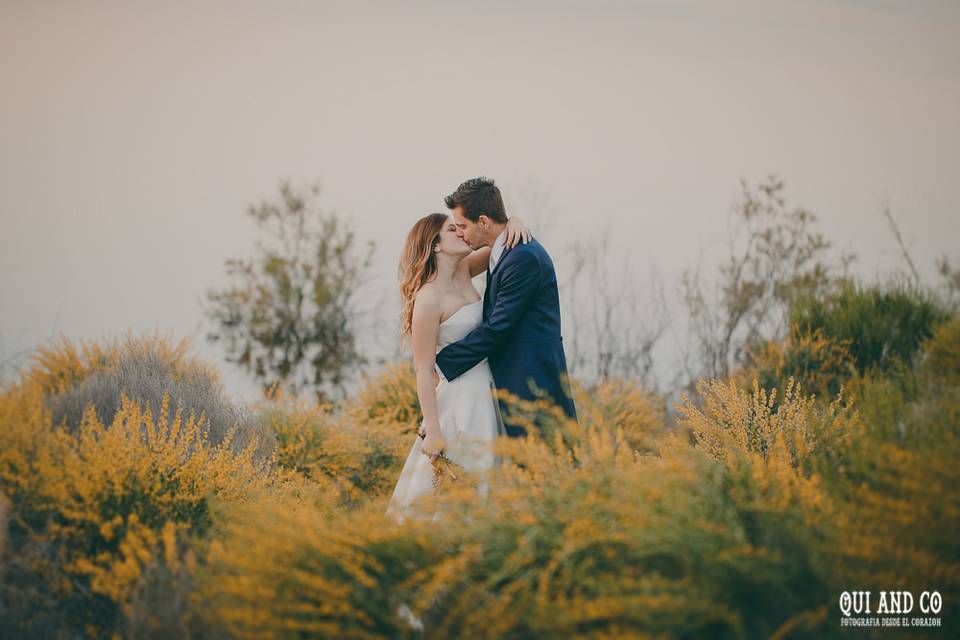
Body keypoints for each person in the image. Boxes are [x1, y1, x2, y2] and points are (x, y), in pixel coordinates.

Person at [386, 211, 530, 522]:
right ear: (435, 246)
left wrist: (515, 220)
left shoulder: (466, 268)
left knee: (498, 481)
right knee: (456, 492)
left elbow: (500, 240)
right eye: (453, 230)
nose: (462, 234)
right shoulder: (428, 299)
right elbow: (423, 370)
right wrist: (433, 430)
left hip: (492, 390)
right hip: (460, 400)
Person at [436, 177, 577, 438]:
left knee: (546, 467)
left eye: (463, 226)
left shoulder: (522, 257)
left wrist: (441, 363)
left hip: (533, 383)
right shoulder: (502, 250)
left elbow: (499, 327)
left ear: (484, 222)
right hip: (515, 380)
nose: (461, 233)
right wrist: (514, 219)